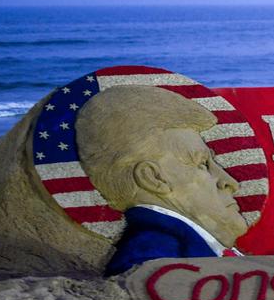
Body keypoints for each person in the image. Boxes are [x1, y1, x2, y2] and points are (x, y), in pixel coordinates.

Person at [74, 85, 248, 275]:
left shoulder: (188, 247)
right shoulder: (152, 256)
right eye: (202, 164)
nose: (230, 182)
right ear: (153, 178)